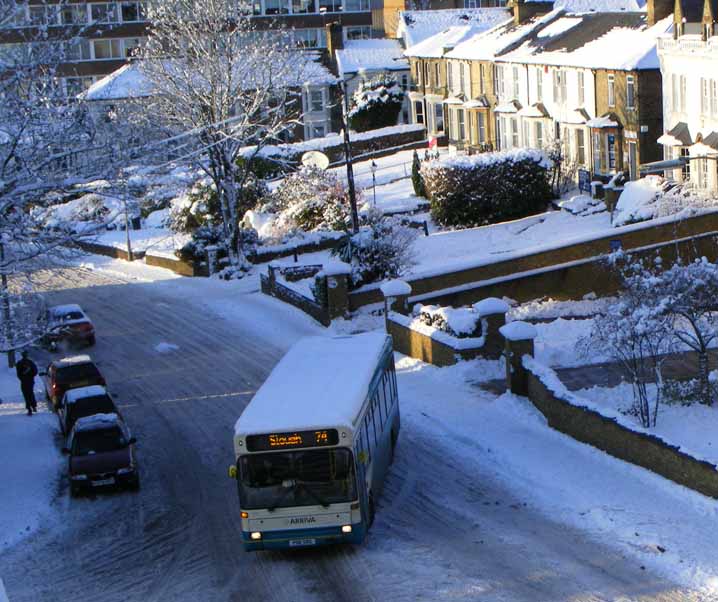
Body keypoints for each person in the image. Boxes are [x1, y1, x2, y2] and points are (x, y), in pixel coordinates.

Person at [16, 351, 38, 416]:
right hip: (30, 381)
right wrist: (31, 376)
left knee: (26, 395)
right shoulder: (31, 362)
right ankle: (34, 406)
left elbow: (18, 374)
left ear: (22, 355)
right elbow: (35, 372)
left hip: (24, 382)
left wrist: (23, 378)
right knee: (31, 393)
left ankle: (29, 409)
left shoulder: (19, 363)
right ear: (27, 355)